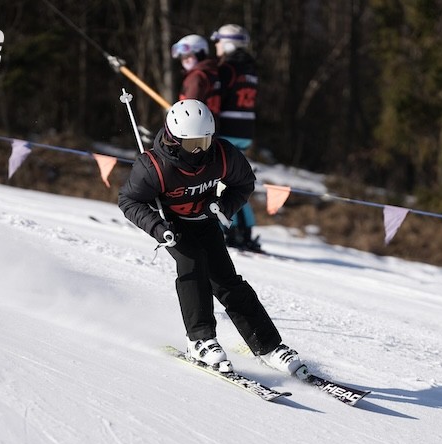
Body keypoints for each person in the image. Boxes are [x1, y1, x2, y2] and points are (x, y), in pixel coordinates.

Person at [117, 99, 303, 376]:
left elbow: (244, 183)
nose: (200, 150)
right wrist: (157, 227)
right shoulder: (153, 167)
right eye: (193, 144)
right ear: (174, 140)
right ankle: (200, 340)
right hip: (173, 227)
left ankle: (268, 346)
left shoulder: (222, 155)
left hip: (205, 222)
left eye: (205, 141)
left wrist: (223, 206)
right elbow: (128, 201)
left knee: (227, 281)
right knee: (192, 266)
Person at [211, 24, 261, 252]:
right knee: (237, 181)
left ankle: (231, 230)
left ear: (228, 44)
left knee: (224, 182)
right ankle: (245, 230)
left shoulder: (227, 68)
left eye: (219, 42)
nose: (216, 47)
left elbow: (216, 98)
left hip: (228, 129)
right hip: (245, 131)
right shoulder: (250, 68)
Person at [170, 34, 221, 117]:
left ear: (200, 54)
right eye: (183, 57)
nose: (185, 60)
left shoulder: (196, 77)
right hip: (210, 120)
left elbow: (190, 109)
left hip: (198, 122)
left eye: (189, 56)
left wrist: (181, 115)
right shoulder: (211, 72)